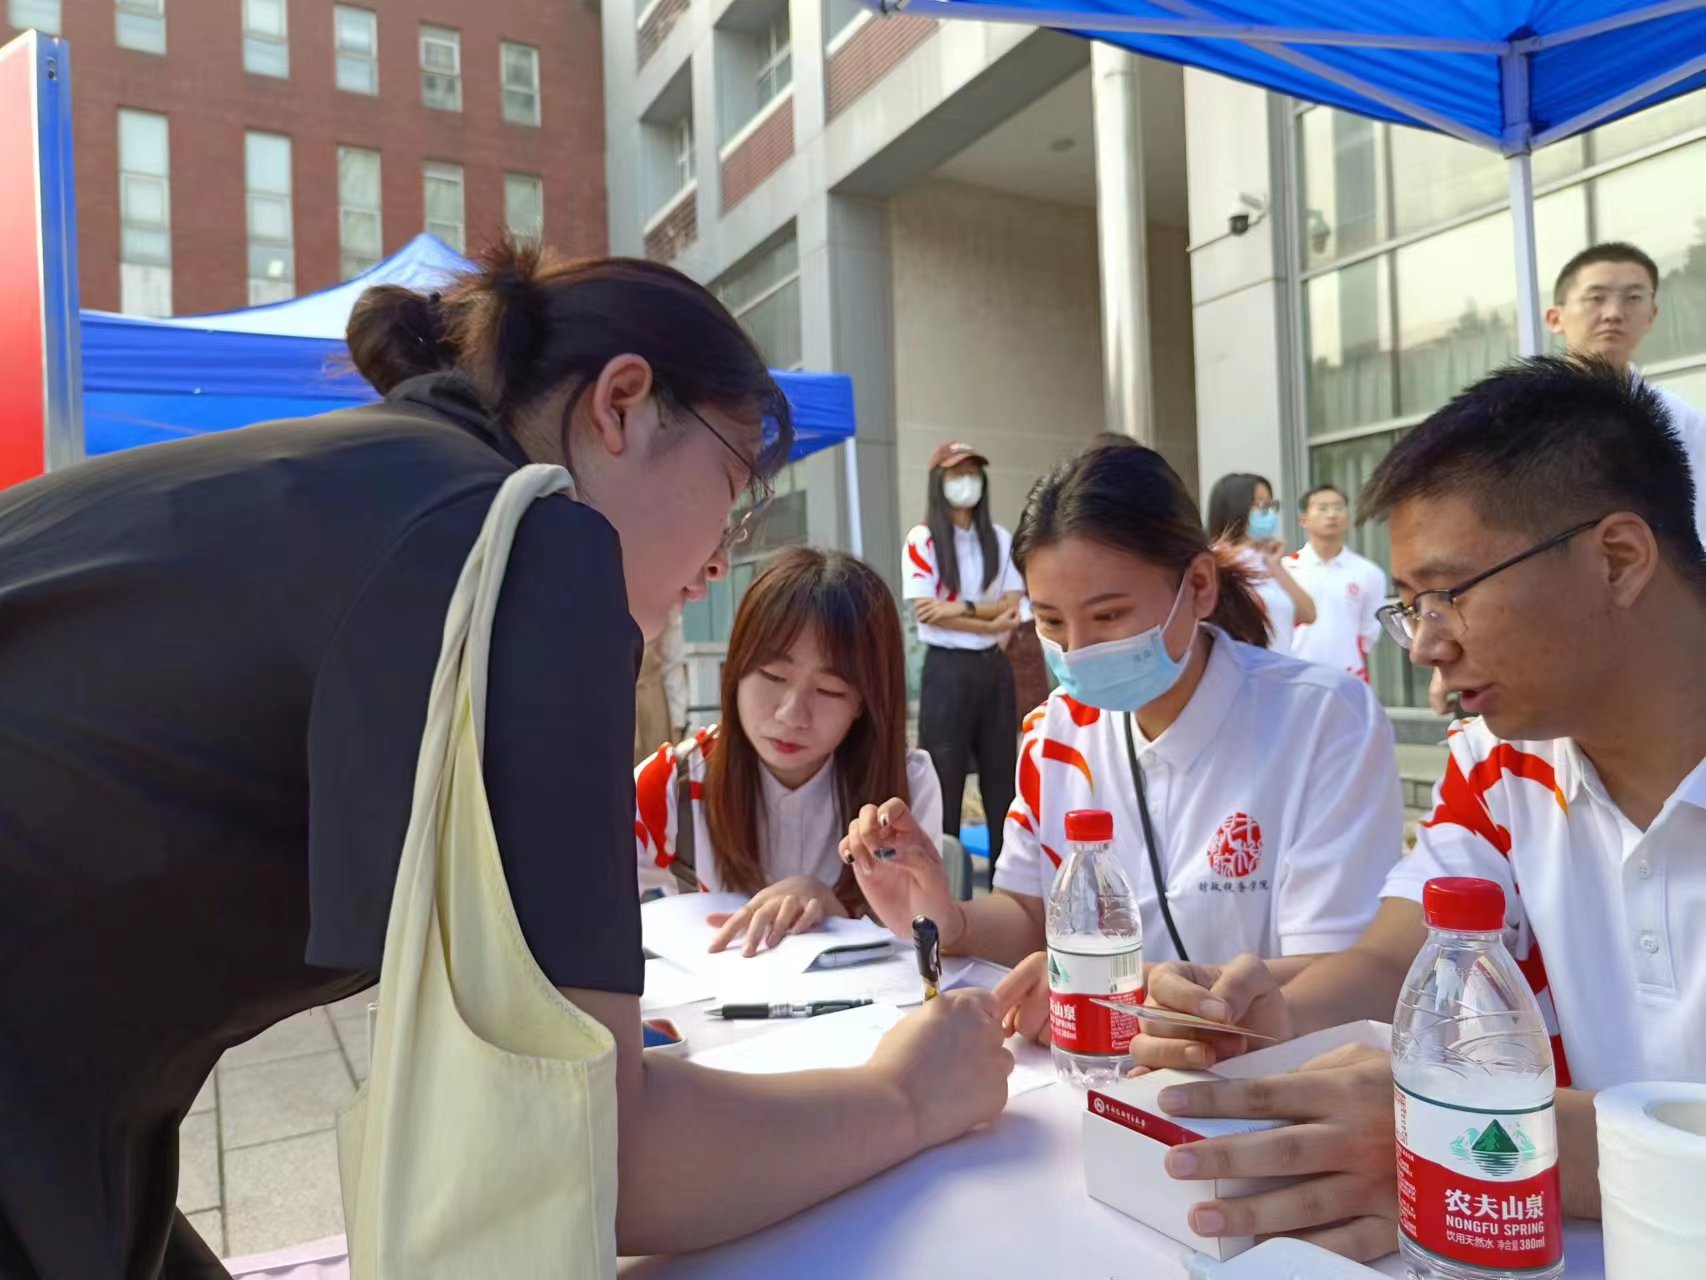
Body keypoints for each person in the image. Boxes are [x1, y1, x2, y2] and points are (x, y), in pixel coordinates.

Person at [0, 243, 1012, 1280]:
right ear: (621, 404)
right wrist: (908, 1094)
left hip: (66, 1111)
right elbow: (590, 1156)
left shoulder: (387, 481)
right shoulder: (525, 547)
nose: (721, 556)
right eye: (733, 488)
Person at [1127, 358, 1706, 1262]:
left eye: (1448, 595)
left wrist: (1452, 1138)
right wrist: (1274, 1019)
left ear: (1618, 560)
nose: (1426, 647)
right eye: (1409, 608)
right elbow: (1400, 956)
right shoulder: (1500, 765)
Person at [843, 442, 1404, 1043]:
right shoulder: (1054, 732)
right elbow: (1028, 914)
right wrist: (947, 918)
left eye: (1108, 616)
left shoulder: (1321, 722)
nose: (1078, 650)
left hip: (1268, 1078)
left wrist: (1123, 991)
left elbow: (1340, 972)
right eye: (1051, 621)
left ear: (1198, 585)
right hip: (1092, 1075)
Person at [1425, 239, 1706, 712]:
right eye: (1596, 297)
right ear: (1556, 317)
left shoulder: (1682, 423)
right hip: (1531, 635)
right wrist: (1450, 646)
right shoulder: (1508, 422)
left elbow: (1698, 533)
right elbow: (1468, 543)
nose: (1614, 312)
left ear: (1653, 315)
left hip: (1651, 640)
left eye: (1633, 298)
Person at [634, 547, 943, 955]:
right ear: (735, 670)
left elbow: (927, 942)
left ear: (864, 703)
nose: (792, 714)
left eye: (829, 690)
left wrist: (834, 912)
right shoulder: (672, 786)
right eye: (773, 675)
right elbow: (579, 904)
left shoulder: (904, 787)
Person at [903, 441, 1024, 870]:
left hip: (993, 669)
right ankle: (944, 881)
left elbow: (1014, 606)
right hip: (947, 670)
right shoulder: (923, 540)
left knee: (1001, 778)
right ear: (939, 480)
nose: (966, 482)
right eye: (956, 474)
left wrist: (960, 609)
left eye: (973, 473)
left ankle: (1008, 878)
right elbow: (927, 612)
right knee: (944, 780)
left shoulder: (1000, 539)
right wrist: (989, 623)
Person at [1205, 472, 1317, 654]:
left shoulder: (1266, 559)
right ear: (1237, 509)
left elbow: (1308, 614)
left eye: (1271, 505)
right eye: (1261, 505)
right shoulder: (1218, 560)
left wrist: (1276, 567)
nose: (1269, 513)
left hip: (1281, 665)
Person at [1285, 484, 1386, 683]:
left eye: (1338, 508)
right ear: (1303, 520)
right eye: (1322, 508)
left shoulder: (1369, 573)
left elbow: (1369, 632)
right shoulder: (1286, 569)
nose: (1331, 514)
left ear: (1347, 519)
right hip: (1295, 678)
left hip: (1347, 678)